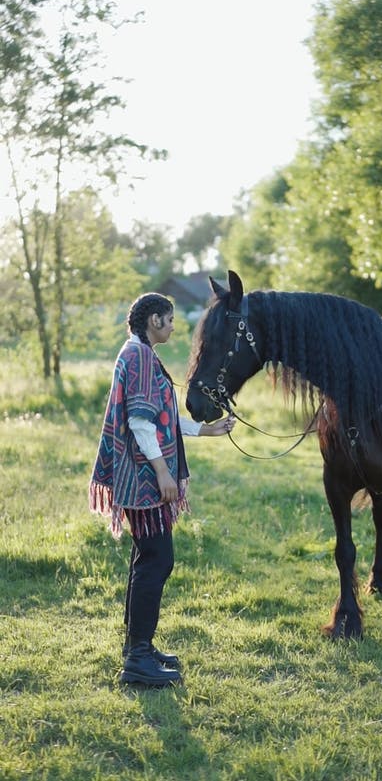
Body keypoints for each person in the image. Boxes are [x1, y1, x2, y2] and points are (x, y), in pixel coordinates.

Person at [89, 292, 234, 687]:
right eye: (169, 320)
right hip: (143, 479)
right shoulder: (138, 357)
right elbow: (140, 423)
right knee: (157, 560)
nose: (172, 327)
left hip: (143, 475)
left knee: (147, 559)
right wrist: (163, 474)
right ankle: (137, 660)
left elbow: (164, 417)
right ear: (153, 320)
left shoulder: (141, 353)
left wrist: (206, 429)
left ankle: (139, 647)